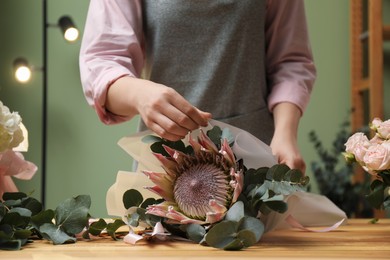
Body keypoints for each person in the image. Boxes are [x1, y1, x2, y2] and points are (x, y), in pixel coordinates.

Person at [79, 0, 316, 174]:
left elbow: (290, 61)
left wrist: (286, 133)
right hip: (165, 174)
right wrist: (140, 95)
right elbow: (102, 63)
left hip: (254, 170)